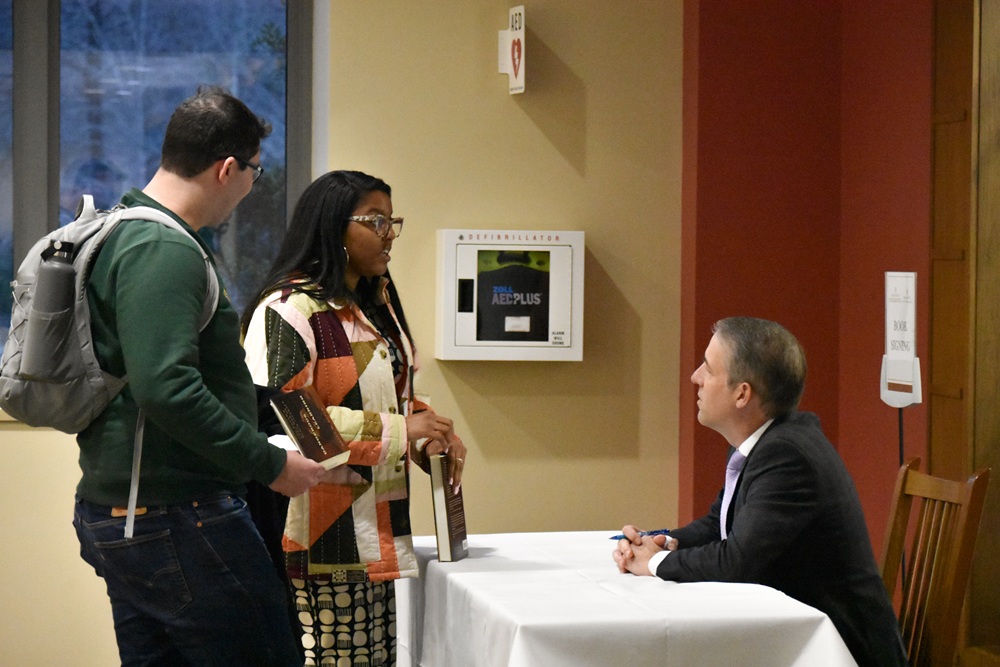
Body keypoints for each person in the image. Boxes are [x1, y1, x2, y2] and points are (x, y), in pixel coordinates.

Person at [72, 86, 325, 666]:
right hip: (179, 515)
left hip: (139, 512)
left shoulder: (123, 230)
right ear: (227, 168)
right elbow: (167, 387)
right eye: (254, 173)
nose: (249, 188)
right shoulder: (163, 247)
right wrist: (270, 463)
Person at [241, 169, 467, 666]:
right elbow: (289, 418)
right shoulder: (288, 308)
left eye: (393, 220)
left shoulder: (376, 300)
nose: (389, 233)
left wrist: (429, 431)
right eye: (375, 220)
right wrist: (401, 430)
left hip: (379, 527)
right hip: (317, 533)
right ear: (332, 227)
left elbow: (394, 395)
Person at [613, 317, 908, 667]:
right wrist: (661, 542)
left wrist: (655, 563)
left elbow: (737, 562)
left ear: (742, 394)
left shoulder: (787, 456)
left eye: (708, 368)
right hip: (789, 640)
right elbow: (718, 524)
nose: (696, 377)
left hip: (841, 650)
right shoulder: (764, 441)